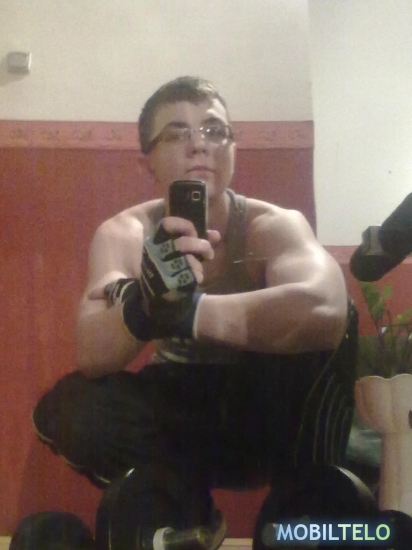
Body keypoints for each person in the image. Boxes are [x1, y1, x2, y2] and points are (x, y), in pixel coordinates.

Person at [33, 76, 350, 542]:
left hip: (264, 410)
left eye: (214, 131)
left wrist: (186, 312)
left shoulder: (272, 225)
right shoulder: (125, 233)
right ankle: (186, 509)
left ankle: (305, 509)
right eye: (177, 133)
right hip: (181, 413)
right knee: (70, 407)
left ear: (233, 149)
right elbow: (92, 351)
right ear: (147, 163)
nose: (199, 144)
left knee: (330, 338)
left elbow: (326, 308)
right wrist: (144, 308)